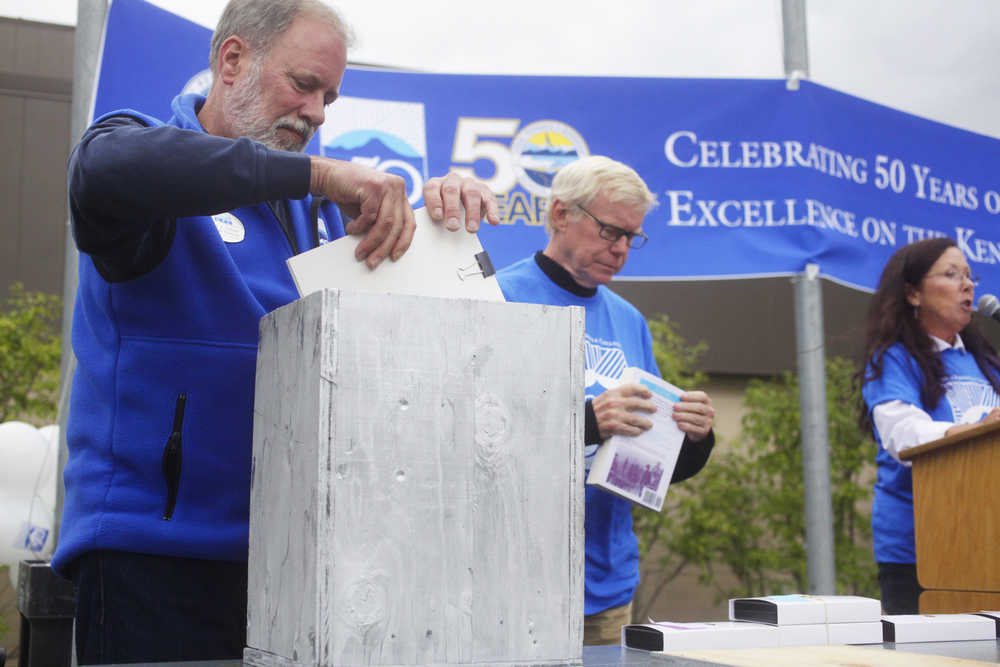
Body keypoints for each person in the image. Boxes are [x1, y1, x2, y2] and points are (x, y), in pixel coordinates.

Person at [50, 1, 498, 663]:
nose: (318, 112)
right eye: (304, 84)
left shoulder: (310, 214)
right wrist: (320, 174)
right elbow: (103, 170)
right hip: (154, 562)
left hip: (299, 565)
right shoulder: (143, 157)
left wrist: (437, 224)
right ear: (232, 61)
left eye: (330, 97)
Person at [496, 156, 716, 645]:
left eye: (631, 238)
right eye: (609, 232)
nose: (620, 250)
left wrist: (694, 437)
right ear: (559, 215)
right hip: (512, 583)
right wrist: (588, 423)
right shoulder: (498, 299)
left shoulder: (629, 319)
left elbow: (652, 463)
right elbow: (478, 436)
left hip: (608, 585)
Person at [860, 237, 1000, 614]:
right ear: (913, 293)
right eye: (952, 274)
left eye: (970, 276)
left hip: (988, 542)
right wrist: (976, 430)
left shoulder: (982, 361)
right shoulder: (894, 358)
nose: (968, 285)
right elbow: (903, 435)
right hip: (920, 550)